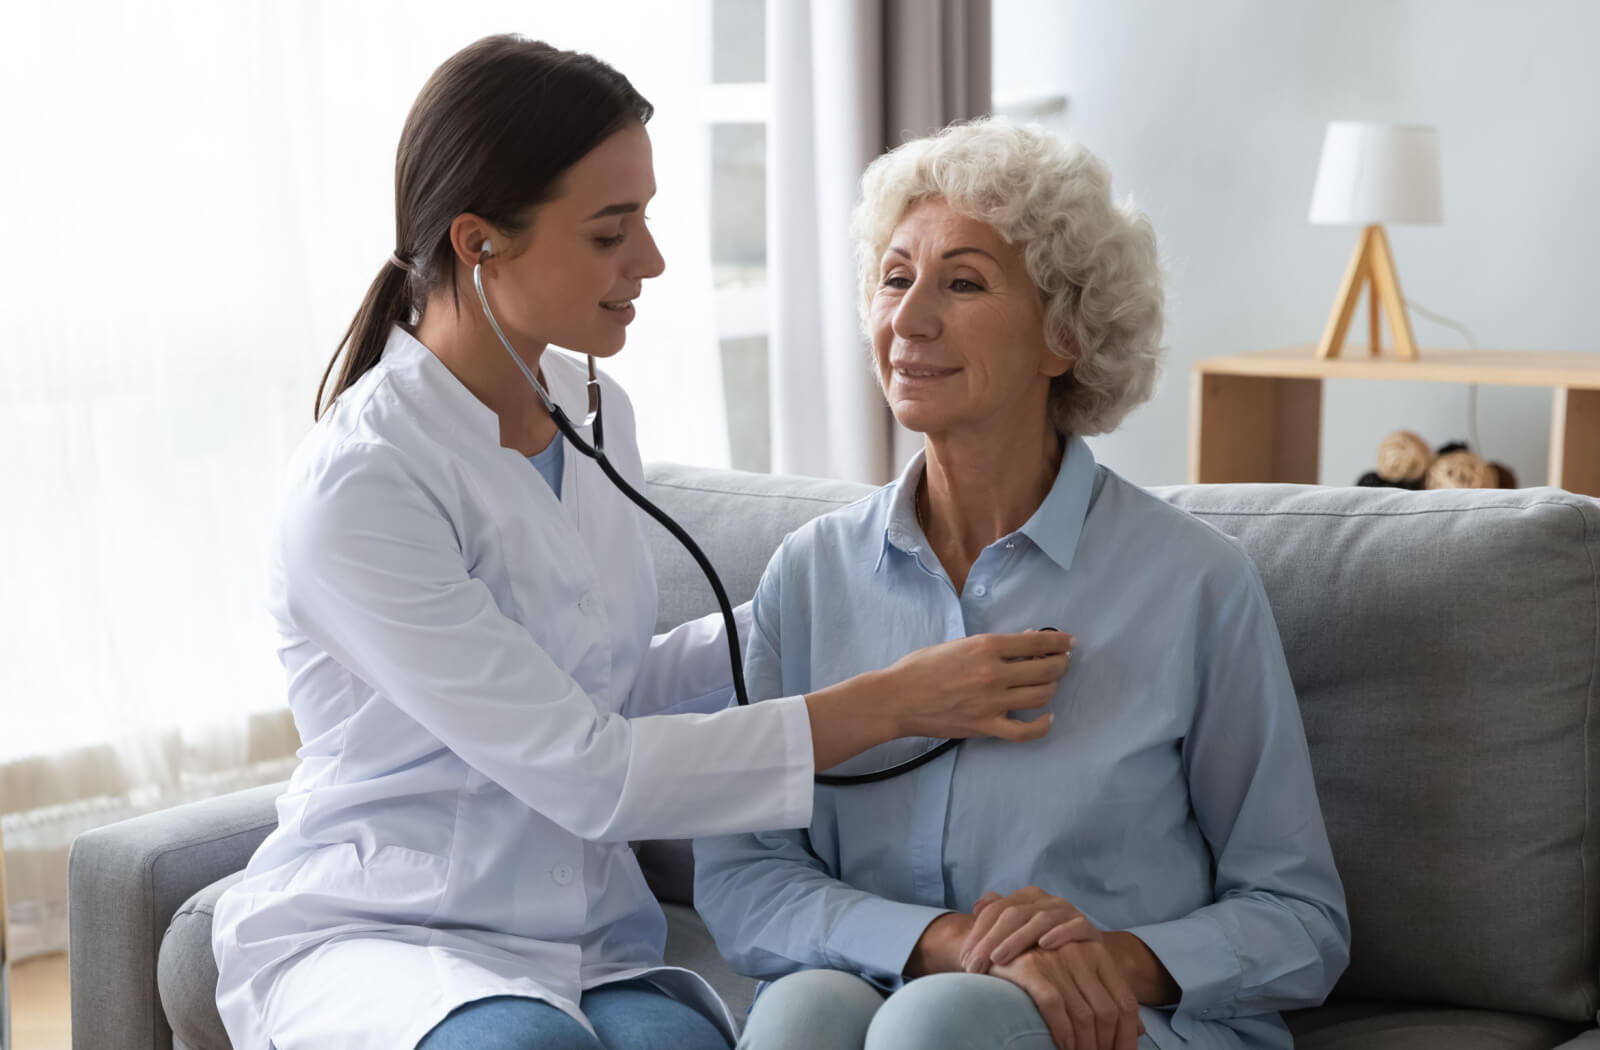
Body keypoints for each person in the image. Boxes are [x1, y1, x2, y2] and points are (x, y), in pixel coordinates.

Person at [210, 39, 1075, 1050]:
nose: (652, 261)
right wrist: (893, 702)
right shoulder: (362, 487)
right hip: (394, 930)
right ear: (479, 243)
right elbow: (592, 768)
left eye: (647, 221)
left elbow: (606, 683)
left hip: (577, 929)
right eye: (611, 232)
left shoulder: (592, 412)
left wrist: (825, 603)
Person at [693, 118, 1351, 1050]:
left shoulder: (1195, 586)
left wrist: (1106, 959)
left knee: (943, 1025)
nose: (909, 319)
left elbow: (1300, 920)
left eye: (962, 282)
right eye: (894, 277)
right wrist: (941, 941)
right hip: (885, 997)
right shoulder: (809, 575)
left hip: (1123, 1027)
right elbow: (744, 875)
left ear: (1065, 336)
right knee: (803, 1010)